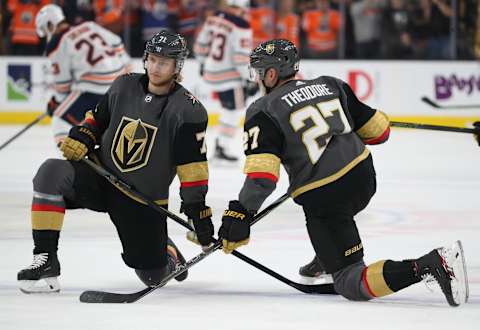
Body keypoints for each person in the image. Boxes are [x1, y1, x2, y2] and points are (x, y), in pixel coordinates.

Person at [218, 39, 468, 307]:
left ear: (271, 74)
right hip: (364, 179)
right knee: (331, 218)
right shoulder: (330, 84)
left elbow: (262, 178)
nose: (256, 78)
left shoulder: (262, 110)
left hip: (326, 196)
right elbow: (379, 132)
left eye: (258, 71)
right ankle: (327, 255)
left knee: (351, 281)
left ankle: (429, 265)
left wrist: (240, 213)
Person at [17, 31, 215, 293]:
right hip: (100, 175)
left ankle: (165, 250)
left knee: (154, 276)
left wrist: (197, 213)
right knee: (50, 172)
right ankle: (45, 260)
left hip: (141, 199)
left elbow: (193, 170)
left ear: (177, 66)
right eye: (152, 60)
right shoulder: (124, 85)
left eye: (164, 62)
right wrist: (83, 136)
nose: (155, 68)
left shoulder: (189, 110)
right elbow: (97, 120)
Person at [35, 4, 131, 146]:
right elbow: (117, 43)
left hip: (95, 89)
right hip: (120, 83)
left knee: (60, 121)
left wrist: (56, 102)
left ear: (50, 24)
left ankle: (73, 164)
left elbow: (63, 86)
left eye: (45, 29)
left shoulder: (56, 44)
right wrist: (125, 70)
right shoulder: (89, 25)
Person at [194, 0, 257, 162]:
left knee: (228, 110)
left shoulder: (214, 17)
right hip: (230, 76)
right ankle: (222, 146)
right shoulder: (241, 24)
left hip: (211, 71)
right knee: (234, 111)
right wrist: (250, 78)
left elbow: (201, 44)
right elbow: (240, 58)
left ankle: (220, 145)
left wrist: (201, 62)